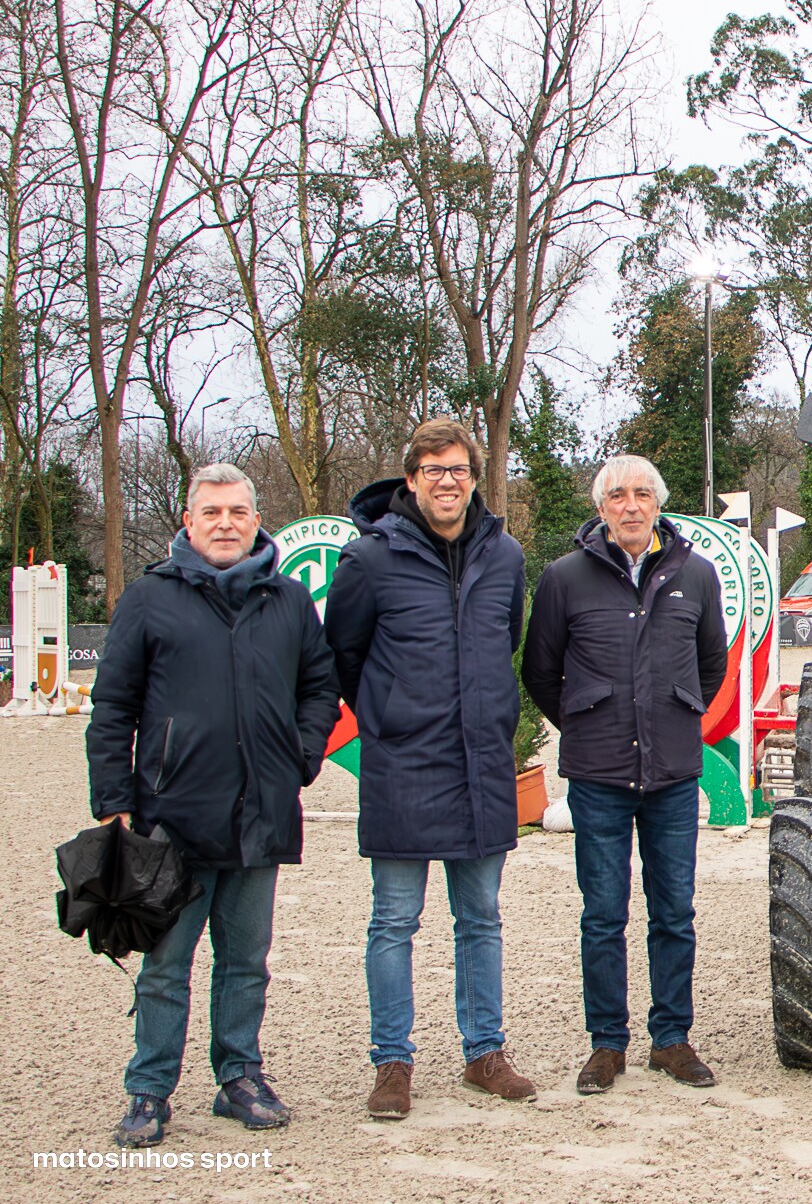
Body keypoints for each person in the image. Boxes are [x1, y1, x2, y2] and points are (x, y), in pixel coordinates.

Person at [87, 464, 341, 1147]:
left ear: (257, 520)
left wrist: (301, 755)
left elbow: (320, 686)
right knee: (165, 962)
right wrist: (114, 801)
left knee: (245, 959)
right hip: (173, 817)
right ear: (188, 520)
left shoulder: (288, 600)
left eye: (237, 511)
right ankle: (148, 1089)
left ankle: (240, 1077)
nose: (225, 523)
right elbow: (112, 707)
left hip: (262, 812)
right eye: (212, 512)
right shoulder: (148, 598)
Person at [323, 420, 533, 1118]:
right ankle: (393, 1062)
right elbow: (344, 659)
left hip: (481, 765)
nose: (449, 480)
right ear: (409, 478)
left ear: (475, 476)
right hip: (403, 766)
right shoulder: (369, 559)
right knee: (394, 920)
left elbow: (506, 639)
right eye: (434, 468)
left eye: (460, 469)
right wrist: (389, 714)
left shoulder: (504, 555)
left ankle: (485, 1051)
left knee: (481, 917)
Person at [522, 456, 727, 1093]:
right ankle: (607, 1042)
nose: (631, 505)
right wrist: (587, 722)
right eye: (618, 495)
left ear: (658, 504)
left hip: (670, 773)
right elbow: (540, 671)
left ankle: (671, 1038)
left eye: (642, 494)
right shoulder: (564, 578)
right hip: (598, 775)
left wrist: (673, 714)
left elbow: (711, 666)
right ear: (602, 507)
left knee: (674, 913)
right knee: (602, 915)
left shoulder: (695, 574)